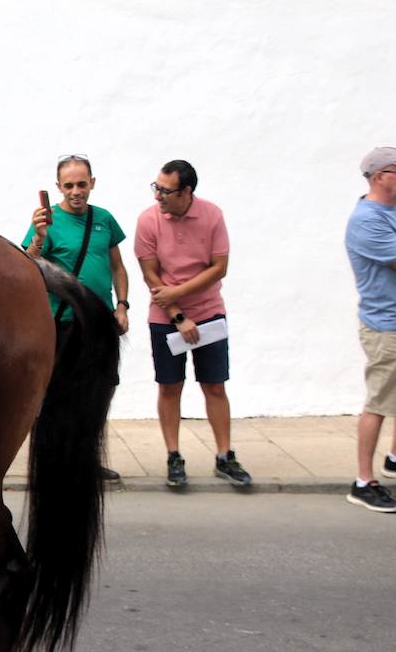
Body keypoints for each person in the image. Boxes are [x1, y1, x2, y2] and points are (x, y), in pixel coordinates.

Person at [134, 159, 250, 490]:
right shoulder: (148, 220)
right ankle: (174, 455)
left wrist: (181, 295)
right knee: (170, 387)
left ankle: (225, 456)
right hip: (165, 317)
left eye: (166, 190)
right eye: (156, 187)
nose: (158, 196)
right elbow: (150, 275)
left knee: (214, 385)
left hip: (210, 312)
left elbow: (219, 267)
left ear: (186, 192)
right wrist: (179, 315)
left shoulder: (212, 215)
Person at [23, 154, 130, 481]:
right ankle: (52, 464)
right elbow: (27, 266)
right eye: (68, 185)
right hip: (62, 323)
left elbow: (117, 267)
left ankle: (87, 461)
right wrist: (39, 238)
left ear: (92, 183)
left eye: (82, 184)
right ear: (58, 187)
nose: (76, 191)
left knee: (99, 392)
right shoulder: (48, 221)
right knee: (58, 395)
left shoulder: (105, 220)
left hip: (100, 325)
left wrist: (122, 305)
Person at [341, 148, 396, 513]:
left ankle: (393, 459)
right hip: (385, 325)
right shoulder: (366, 221)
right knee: (378, 402)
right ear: (379, 176)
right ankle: (363, 482)